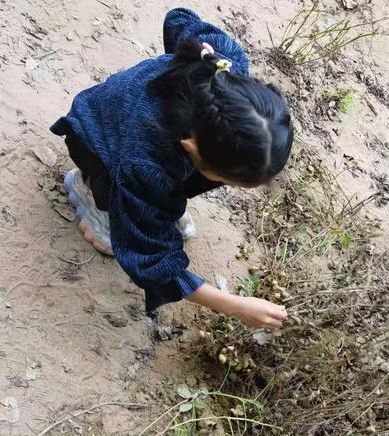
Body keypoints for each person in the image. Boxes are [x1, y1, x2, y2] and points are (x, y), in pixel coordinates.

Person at [50, 8, 293, 329]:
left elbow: (178, 18)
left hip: (141, 133)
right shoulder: (148, 163)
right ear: (191, 148)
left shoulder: (226, 65)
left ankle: (155, 205)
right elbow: (151, 259)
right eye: (228, 180)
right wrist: (234, 305)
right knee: (134, 213)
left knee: (166, 193)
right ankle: (93, 194)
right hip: (94, 137)